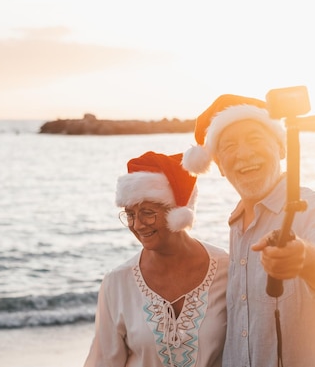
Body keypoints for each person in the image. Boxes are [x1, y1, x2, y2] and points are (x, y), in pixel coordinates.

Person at [182, 94, 315, 367]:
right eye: (229, 145)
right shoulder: (238, 225)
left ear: (281, 148)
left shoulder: (310, 206)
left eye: (255, 138)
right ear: (220, 166)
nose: (244, 153)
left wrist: (303, 258)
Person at [84, 151, 229, 367]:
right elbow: (104, 361)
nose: (138, 225)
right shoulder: (117, 283)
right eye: (130, 214)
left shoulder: (227, 270)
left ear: (177, 211)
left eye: (148, 212)